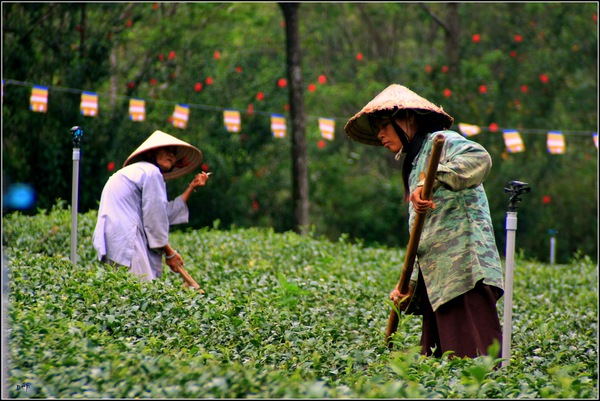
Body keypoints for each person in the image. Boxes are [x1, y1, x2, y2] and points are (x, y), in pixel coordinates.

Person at [344, 84, 504, 359]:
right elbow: (426, 237)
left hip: (465, 273)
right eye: (376, 129)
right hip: (438, 284)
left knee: (476, 366)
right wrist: (409, 289)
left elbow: (480, 158)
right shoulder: (414, 164)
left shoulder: (440, 141)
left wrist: (433, 177)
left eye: (384, 125)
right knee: (438, 368)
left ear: (408, 119)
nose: (380, 134)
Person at [92, 130, 210, 281]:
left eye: (174, 153)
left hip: (114, 242)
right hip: (128, 241)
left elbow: (162, 214)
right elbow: (155, 221)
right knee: (139, 293)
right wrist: (170, 253)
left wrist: (191, 187)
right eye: (167, 150)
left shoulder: (139, 172)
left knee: (120, 292)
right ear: (152, 153)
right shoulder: (151, 172)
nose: (172, 155)